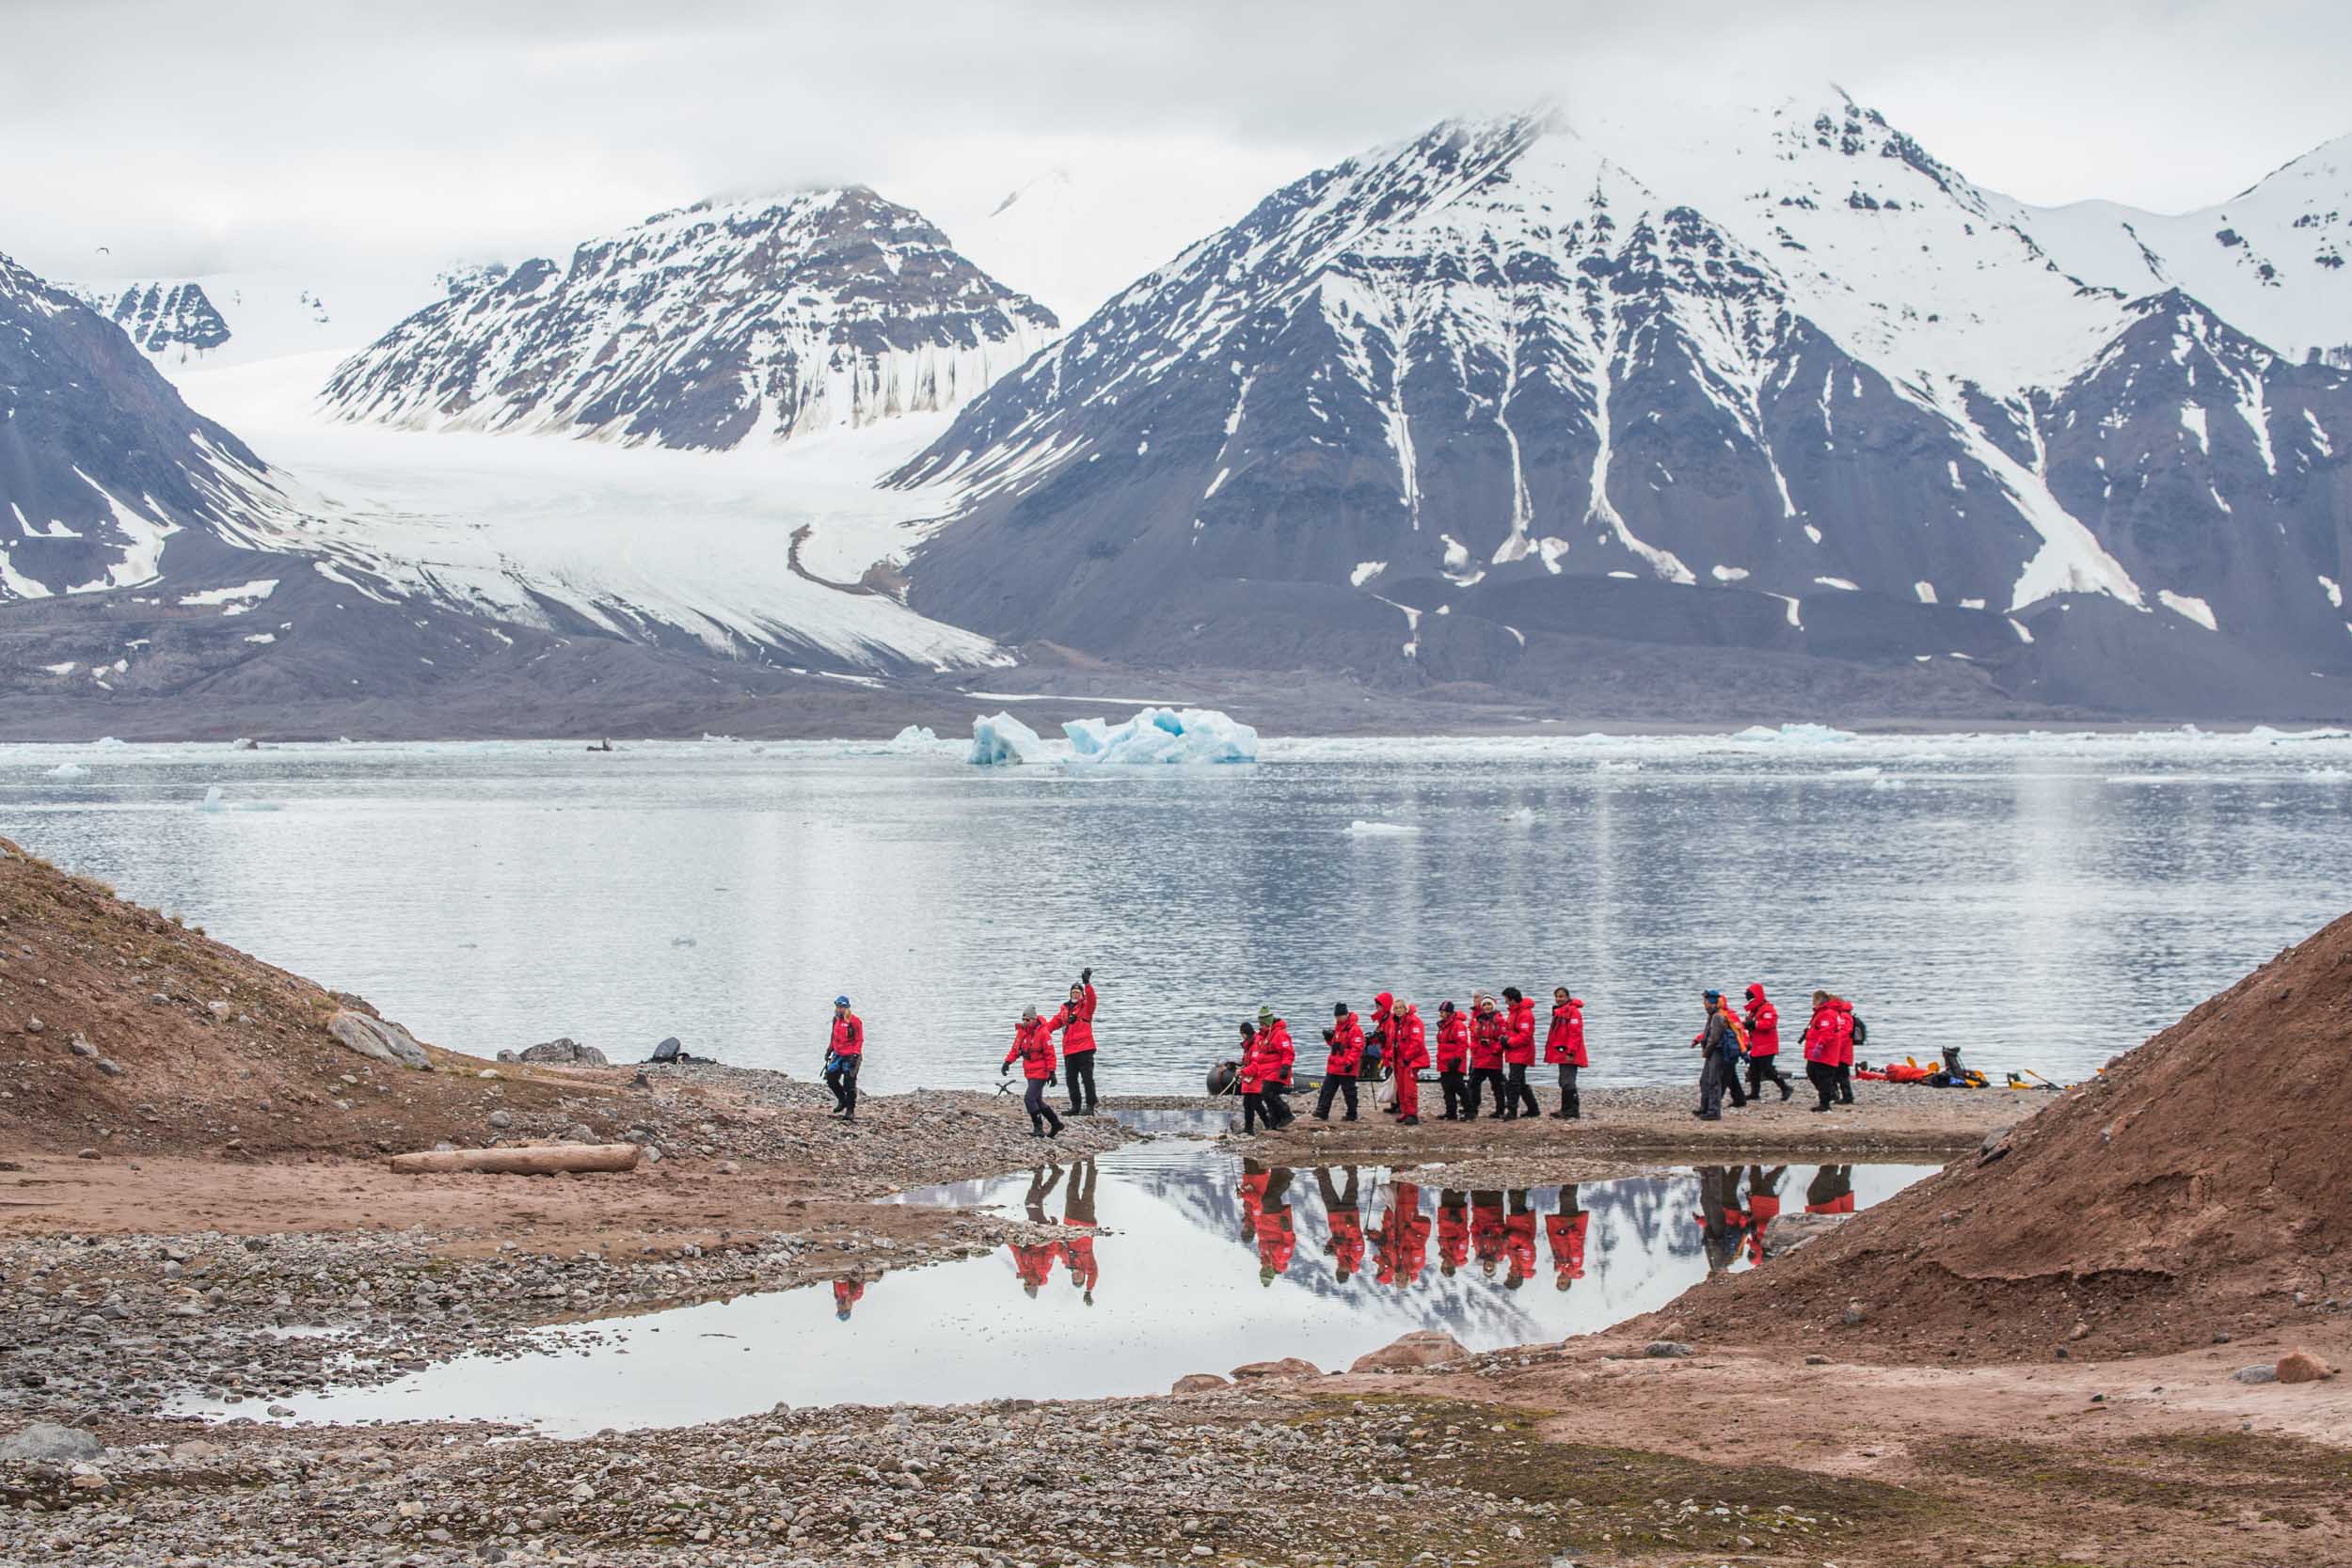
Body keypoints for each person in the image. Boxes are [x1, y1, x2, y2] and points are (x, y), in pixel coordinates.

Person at [1001, 1005, 1065, 1138]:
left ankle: (1038, 1128)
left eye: (1028, 1020)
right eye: (1023, 1019)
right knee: (1038, 1100)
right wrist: (1007, 1062)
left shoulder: (1043, 1032)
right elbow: (1015, 1049)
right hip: (1030, 1070)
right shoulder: (1021, 1032)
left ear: (1034, 1020)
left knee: (1029, 1099)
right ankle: (1055, 1123)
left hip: (1041, 1071)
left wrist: (1052, 1072)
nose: (1025, 1022)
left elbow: (1050, 1054)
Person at [1050, 968, 1100, 1117]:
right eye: (1073, 992)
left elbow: (1092, 999)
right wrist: (1040, 1029)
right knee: (1071, 1080)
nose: (1075, 994)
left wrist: (1087, 983)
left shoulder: (1086, 1008)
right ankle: (1075, 1106)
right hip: (1070, 1050)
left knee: (1087, 1079)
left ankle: (1090, 1106)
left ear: (1082, 994)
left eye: (1078, 992)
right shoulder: (1065, 1009)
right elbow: (1053, 1023)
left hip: (1085, 1048)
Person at [1692, 990, 1739, 1120]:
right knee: (1704, 1081)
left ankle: (1714, 1111)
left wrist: (1706, 1052)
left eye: (1705, 1001)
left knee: (1713, 1081)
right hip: (1713, 1052)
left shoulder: (1717, 1017)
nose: (1704, 1004)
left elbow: (1715, 1038)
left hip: (1717, 1052)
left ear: (1710, 1002)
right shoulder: (1713, 1016)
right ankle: (1705, 1107)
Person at [1742, 984, 1793, 1101]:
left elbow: (1769, 1024)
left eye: (1751, 995)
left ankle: (1785, 1087)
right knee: (1753, 1070)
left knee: (1768, 1070)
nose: (1749, 999)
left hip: (1767, 1045)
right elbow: (1752, 1026)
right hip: (1757, 1045)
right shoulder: (1754, 1011)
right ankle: (1755, 1093)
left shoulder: (1768, 1009)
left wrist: (1754, 1024)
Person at [1314, 1002, 1364, 1121]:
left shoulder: (1354, 1029)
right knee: (1327, 1090)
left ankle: (1352, 1114)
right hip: (1334, 1065)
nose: (1338, 1018)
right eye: (1336, 1016)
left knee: (1349, 1092)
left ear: (1346, 1015)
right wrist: (1329, 1039)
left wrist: (1350, 1062)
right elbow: (1335, 1046)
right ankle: (1322, 1112)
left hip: (1346, 1066)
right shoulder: (1338, 1028)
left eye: (1340, 1016)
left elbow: (1357, 1048)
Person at [1544, 988, 1587, 1119]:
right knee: (1564, 1081)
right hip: (1562, 1052)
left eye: (1561, 996)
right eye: (1557, 996)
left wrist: (1571, 1052)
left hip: (1569, 1053)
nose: (1558, 999)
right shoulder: (1560, 1012)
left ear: (1568, 997)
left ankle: (1572, 1111)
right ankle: (1566, 1109)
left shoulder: (1573, 1012)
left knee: (1568, 1081)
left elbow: (1575, 1034)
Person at [1319, 1167, 1365, 1283]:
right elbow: (1358, 1239)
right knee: (1351, 1192)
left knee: (1327, 1194)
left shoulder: (1339, 1257)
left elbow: (1336, 1241)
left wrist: (1330, 1246)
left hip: (1334, 1219)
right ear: (1348, 1272)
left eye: (1338, 1271)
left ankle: (1322, 1172)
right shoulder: (1356, 1257)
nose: (1340, 1269)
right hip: (1348, 1217)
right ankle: (1352, 1170)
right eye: (1343, 1272)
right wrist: (1350, 1225)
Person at [1468, 995, 1509, 1118]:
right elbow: (1473, 1037)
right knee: (1473, 1084)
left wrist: (1494, 1049)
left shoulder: (1500, 1020)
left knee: (1497, 1085)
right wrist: (1475, 1048)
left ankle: (1500, 1110)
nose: (1487, 1007)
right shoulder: (1477, 1020)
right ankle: (1473, 1109)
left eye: (1489, 1005)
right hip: (1480, 1057)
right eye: (1485, 1005)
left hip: (1493, 1057)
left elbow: (1502, 1037)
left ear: (1493, 1006)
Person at [1502, 987, 1540, 1118]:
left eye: (1507, 1000)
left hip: (1521, 1052)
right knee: (1520, 1082)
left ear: (1512, 1000)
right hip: (1515, 1051)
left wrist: (1509, 1041)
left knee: (1514, 1082)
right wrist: (1506, 1039)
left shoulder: (1525, 1014)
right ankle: (1533, 1109)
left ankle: (1512, 1111)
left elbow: (1525, 1036)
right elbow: (1513, 1031)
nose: (1506, 1003)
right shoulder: (1515, 1012)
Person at [1256, 1008, 1297, 1129]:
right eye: (1260, 1024)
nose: (1261, 1026)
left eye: (1263, 1024)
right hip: (1267, 1071)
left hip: (1277, 1071)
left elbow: (1288, 1052)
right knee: (1267, 1095)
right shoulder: (1263, 1036)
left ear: (1268, 1022)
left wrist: (1285, 1067)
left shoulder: (1280, 1034)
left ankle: (1286, 1113)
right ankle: (1274, 1123)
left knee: (1267, 1093)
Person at [1389, 1000, 1428, 1125]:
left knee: (1409, 1088)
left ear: (1406, 1009)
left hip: (1411, 1060)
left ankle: (1412, 1114)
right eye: (1396, 1008)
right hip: (1400, 1060)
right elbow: (1393, 1042)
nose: (1398, 1010)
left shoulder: (1414, 1021)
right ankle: (1405, 1112)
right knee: (1401, 1087)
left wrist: (1407, 1057)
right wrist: (1391, 1057)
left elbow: (1417, 1042)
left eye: (1400, 1007)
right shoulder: (1396, 1023)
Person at [824, 996, 864, 1120]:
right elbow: (833, 1037)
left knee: (849, 1082)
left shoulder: (855, 1021)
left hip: (851, 1055)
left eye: (841, 1007)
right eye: (837, 1007)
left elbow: (859, 1039)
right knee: (831, 1078)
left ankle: (850, 1110)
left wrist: (856, 1054)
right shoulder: (835, 1020)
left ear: (847, 1008)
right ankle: (842, 1100)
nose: (838, 1009)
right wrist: (829, 1050)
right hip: (838, 1054)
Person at [1802, 990, 1841, 1113]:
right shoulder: (1822, 1013)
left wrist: (1819, 1046)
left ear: (1820, 1000)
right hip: (1818, 1051)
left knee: (1823, 1076)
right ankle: (1828, 1095)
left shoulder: (1827, 1014)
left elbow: (1826, 1032)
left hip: (1825, 1052)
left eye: (1814, 1000)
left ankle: (1825, 1103)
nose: (1813, 1003)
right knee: (1812, 1071)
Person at [1434, 1000, 1471, 1120]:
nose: (1441, 1014)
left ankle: (1469, 1111)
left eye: (1443, 1011)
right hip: (1444, 1061)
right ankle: (1451, 1112)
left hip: (1454, 1062)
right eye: (1440, 1011)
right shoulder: (1443, 1025)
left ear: (1449, 1012)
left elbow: (1463, 1044)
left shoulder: (1458, 1025)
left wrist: (1457, 1059)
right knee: (1447, 1088)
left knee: (1459, 1087)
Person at [1545, 1187, 1587, 1291]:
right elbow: (1576, 1247)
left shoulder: (1563, 1267)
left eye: (1558, 1282)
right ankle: (1573, 1176)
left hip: (1561, 1226)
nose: (1559, 1280)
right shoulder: (1575, 1266)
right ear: (1569, 1281)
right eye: (1562, 1282)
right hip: (1569, 1223)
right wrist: (1571, 1229)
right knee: (1567, 1197)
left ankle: (1570, 1178)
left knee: (1565, 1198)